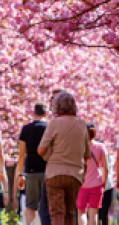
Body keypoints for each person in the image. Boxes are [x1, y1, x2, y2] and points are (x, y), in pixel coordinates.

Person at [38, 91, 90, 225]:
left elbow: (41, 149)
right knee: (70, 213)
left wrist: (49, 154)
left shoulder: (54, 123)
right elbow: (87, 154)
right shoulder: (82, 124)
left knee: (56, 214)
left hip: (55, 173)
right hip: (75, 175)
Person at [14, 101, 50, 225]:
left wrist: (20, 174)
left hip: (31, 171)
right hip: (48, 172)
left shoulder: (26, 129)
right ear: (46, 113)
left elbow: (22, 154)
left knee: (30, 206)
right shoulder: (49, 128)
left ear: (34, 112)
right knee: (47, 206)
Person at [78, 123, 109, 225]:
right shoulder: (101, 147)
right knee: (93, 213)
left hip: (82, 184)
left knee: (82, 212)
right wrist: (104, 182)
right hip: (96, 183)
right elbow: (106, 168)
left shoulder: (79, 147)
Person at [99, 152, 116, 225]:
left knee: (94, 212)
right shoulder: (111, 156)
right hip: (109, 184)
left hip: (97, 183)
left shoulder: (94, 151)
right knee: (105, 213)